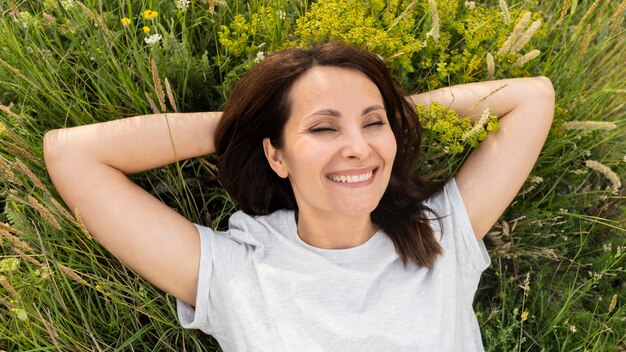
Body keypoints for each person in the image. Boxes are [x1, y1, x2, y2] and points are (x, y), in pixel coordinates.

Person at [43, 43, 555, 351]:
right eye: (323, 129)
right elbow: (71, 155)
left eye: (373, 124)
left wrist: (393, 112)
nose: (358, 148)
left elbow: (532, 97)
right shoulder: (238, 271)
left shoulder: (441, 238)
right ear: (277, 157)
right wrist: (243, 124)